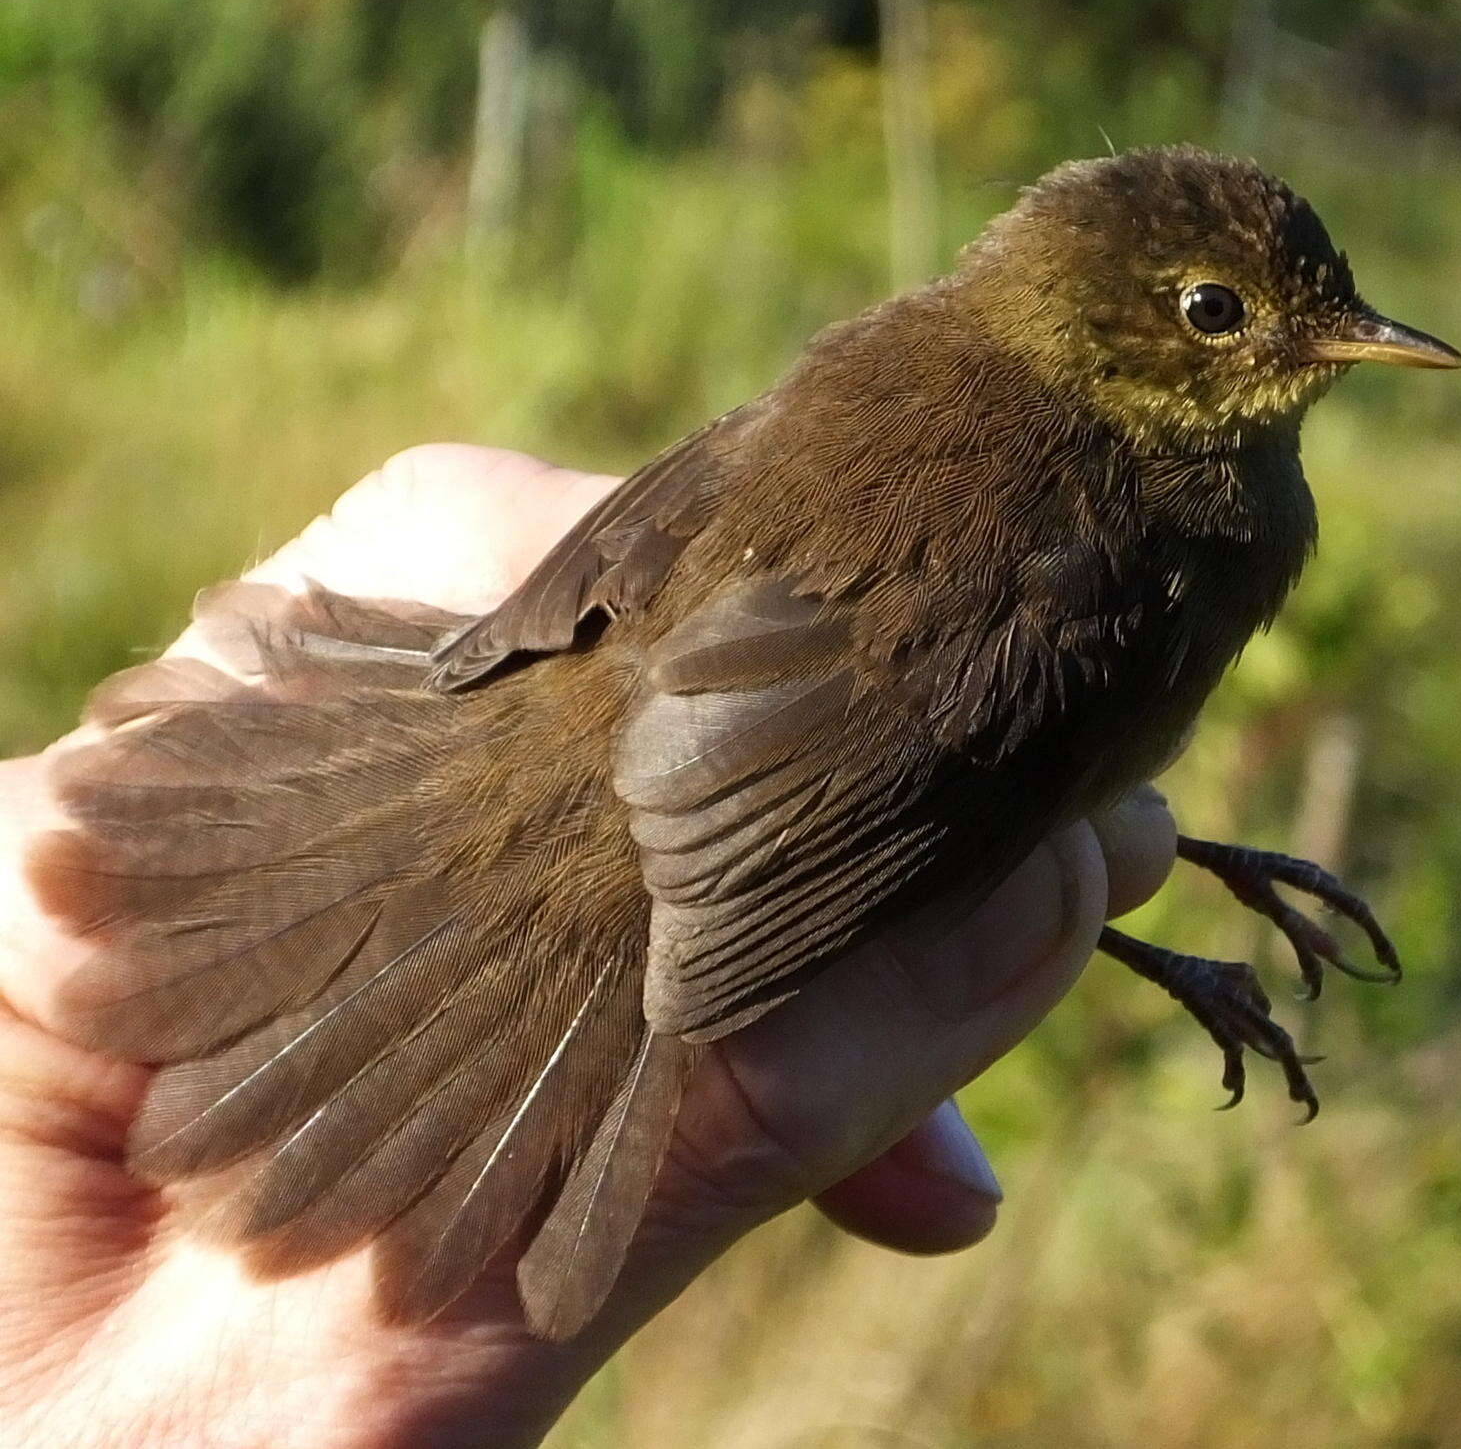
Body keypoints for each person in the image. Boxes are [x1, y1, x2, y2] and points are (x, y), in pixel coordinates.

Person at [0, 445, 1175, 1447]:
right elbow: (942, 816)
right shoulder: (1169, 539)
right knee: (1031, 864)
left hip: (666, 661)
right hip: (672, 800)